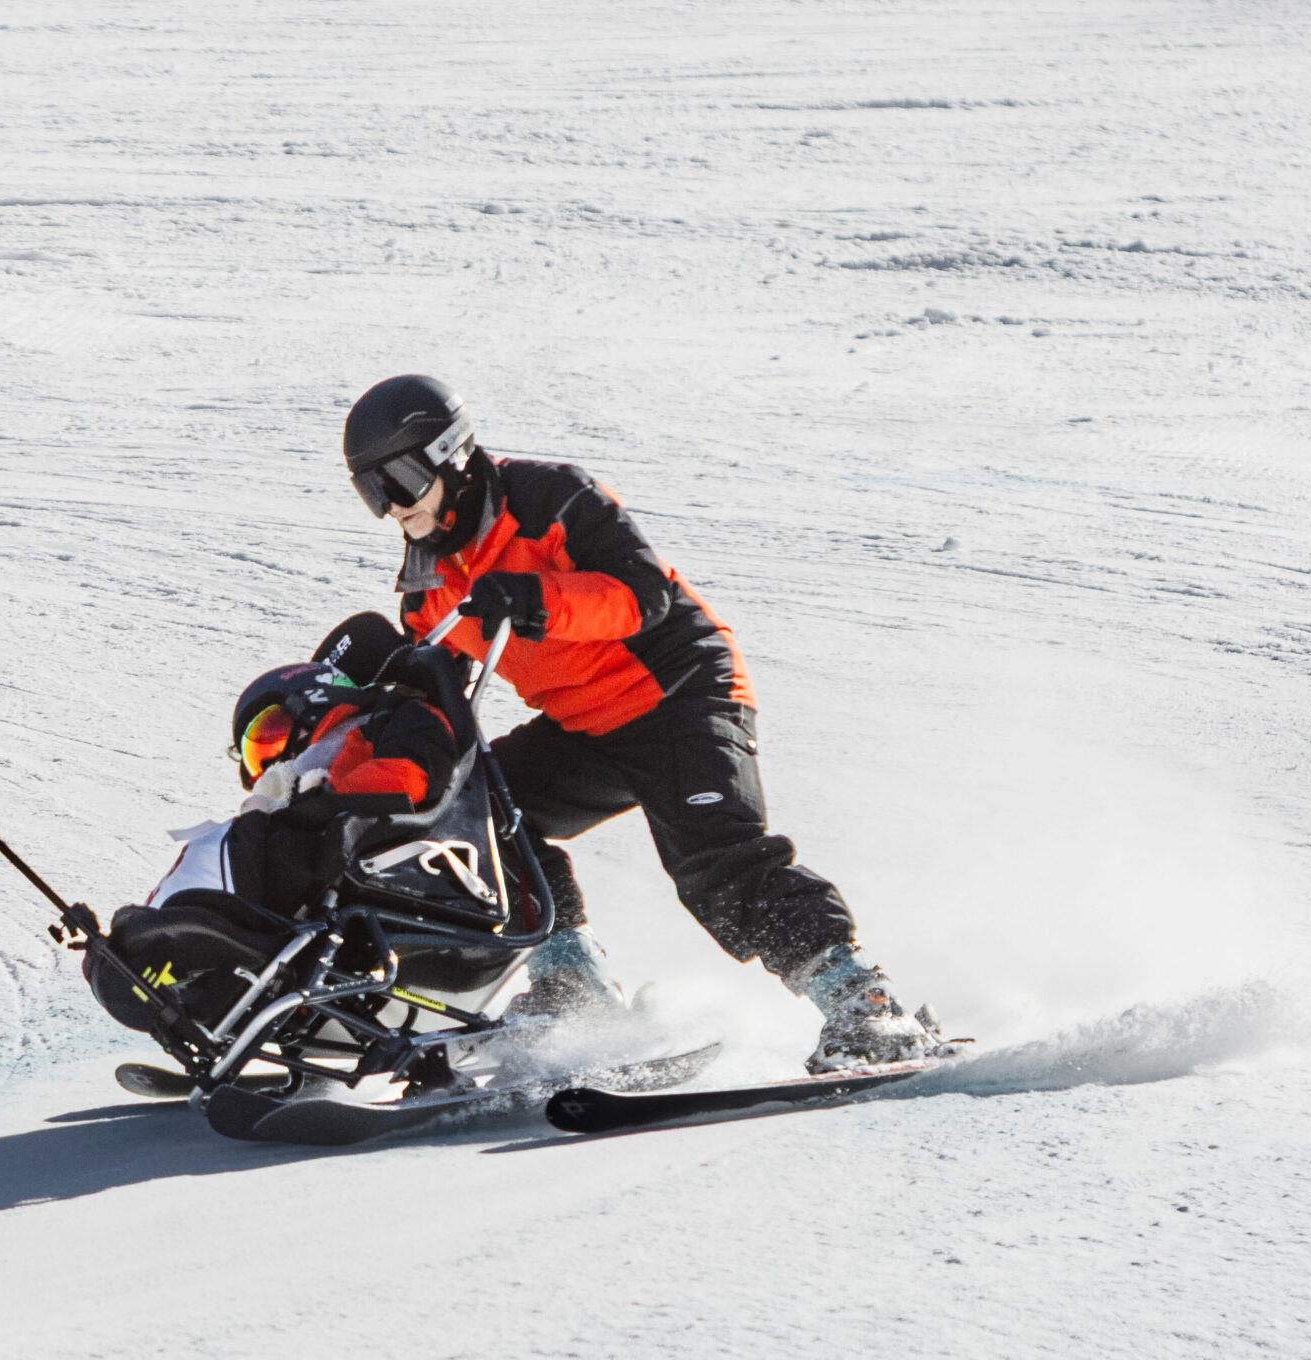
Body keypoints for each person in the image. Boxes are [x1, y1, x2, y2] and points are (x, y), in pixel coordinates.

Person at [339, 374, 949, 1070]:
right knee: (476, 815)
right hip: (586, 726)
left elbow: (642, 595)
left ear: (451, 455)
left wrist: (535, 598)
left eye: (401, 481)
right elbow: (436, 688)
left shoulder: (549, 499)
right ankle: (574, 982)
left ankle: (865, 1006)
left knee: (714, 859)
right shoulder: (428, 578)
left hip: (678, 694)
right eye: (371, 493)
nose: (392, 508)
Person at [146, 614, 462, 919]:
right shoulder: (310, 787)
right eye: (260, 758)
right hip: (325, 897)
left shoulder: (396, 718)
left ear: (313, 697)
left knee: (224, 849)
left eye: (269, 734)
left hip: (382, 867)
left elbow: (406, 777)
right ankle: (166, 934)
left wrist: (308, 810)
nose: (277, 762)